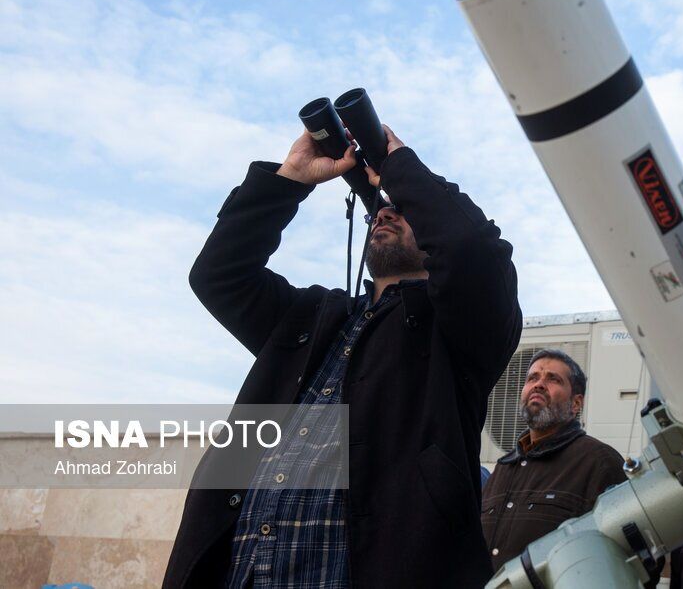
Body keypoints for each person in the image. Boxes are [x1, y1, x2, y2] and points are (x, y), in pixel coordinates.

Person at [162, 125, 522, 588]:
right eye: (382, 210)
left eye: (404, 211)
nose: (386, 213)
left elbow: (473, 251)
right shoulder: (310, 317)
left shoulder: (457, 332)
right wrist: (289, 179)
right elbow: (218, 274)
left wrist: (397, 163)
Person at [480, 348, 626, 570]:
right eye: (532, 378)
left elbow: (624, 558)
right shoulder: (503, 468)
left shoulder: (599, 462)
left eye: (553, 379)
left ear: (576, 404)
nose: (538, 384)